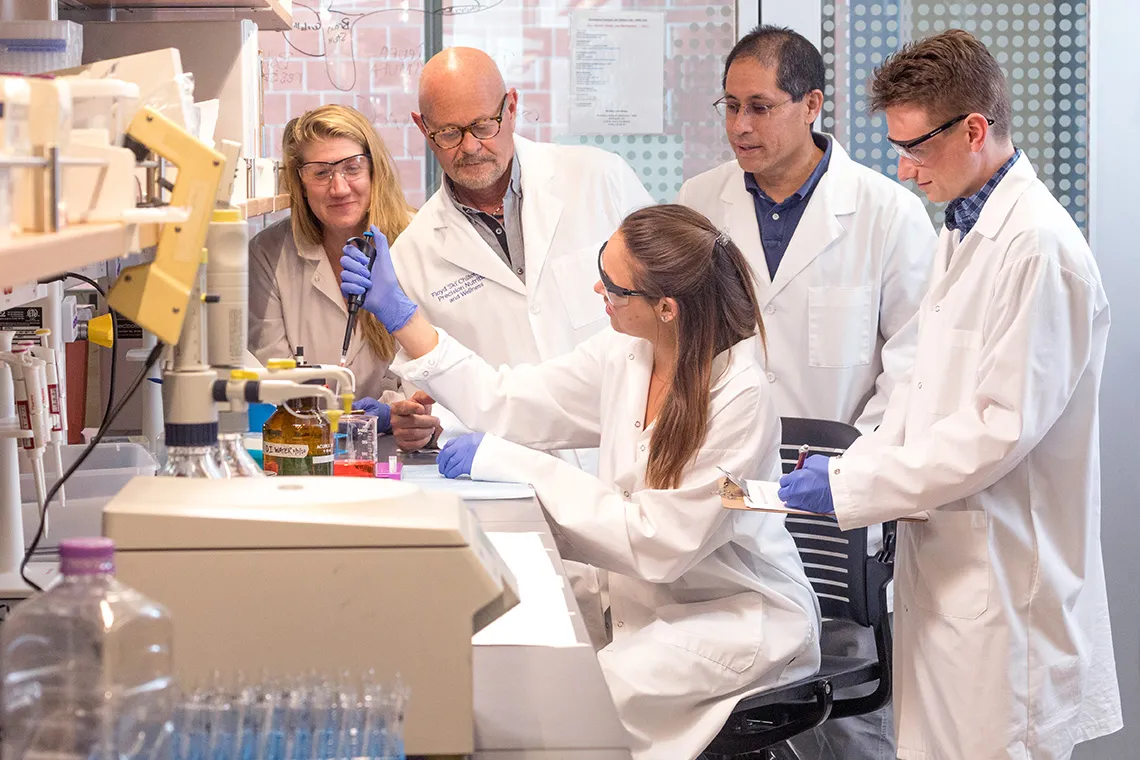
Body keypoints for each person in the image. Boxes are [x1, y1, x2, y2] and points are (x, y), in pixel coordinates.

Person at [340, 204, 821, 760]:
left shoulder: (738, 396)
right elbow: (512, 401)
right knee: (504, 667)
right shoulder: (629, 352)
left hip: (730, 618)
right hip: (642, 602)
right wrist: (403, 316)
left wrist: (508, 461)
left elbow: (659, 544)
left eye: (614, 288)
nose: (598, 289)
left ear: (666, 308)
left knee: (565, 707)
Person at [777, 29, 1122, 760]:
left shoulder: (1039, 249)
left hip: (1004, 596)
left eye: (917, 149)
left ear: (973, 129)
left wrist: (851, 484)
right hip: (948, 580)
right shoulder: (962, 231)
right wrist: (858, 464)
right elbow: (924, 387)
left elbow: (997, 431)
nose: (903, 170)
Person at [678, 26, 937, 760]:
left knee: (847, 709)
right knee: (735, 697)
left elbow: (914, 368)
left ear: (812, 104)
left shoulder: (887, 214)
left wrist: (851, 471)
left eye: (759, 107)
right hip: (733, 490)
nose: (740, 126)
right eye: (729, 107)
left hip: (842, 511)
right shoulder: (701, 202)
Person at [386, 46, 653, 452]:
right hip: (506, 476)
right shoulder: (411, 255)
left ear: (511, 107)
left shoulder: (601, 179)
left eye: (482, 125)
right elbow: (433, 396)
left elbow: (676, 309)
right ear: (424, 129)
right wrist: (423, 424)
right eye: (449, 133)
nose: (471, 146)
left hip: (622, 455)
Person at [249, 105, 414, 426]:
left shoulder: (416, 240)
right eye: (321, 173)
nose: (339, 188)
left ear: (373, 169)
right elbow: (274, 375)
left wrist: (398, 409)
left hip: (403, 447)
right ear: (300, 182)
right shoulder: (268, 252)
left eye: (352, 168)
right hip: (305, 441)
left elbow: (433, 364)